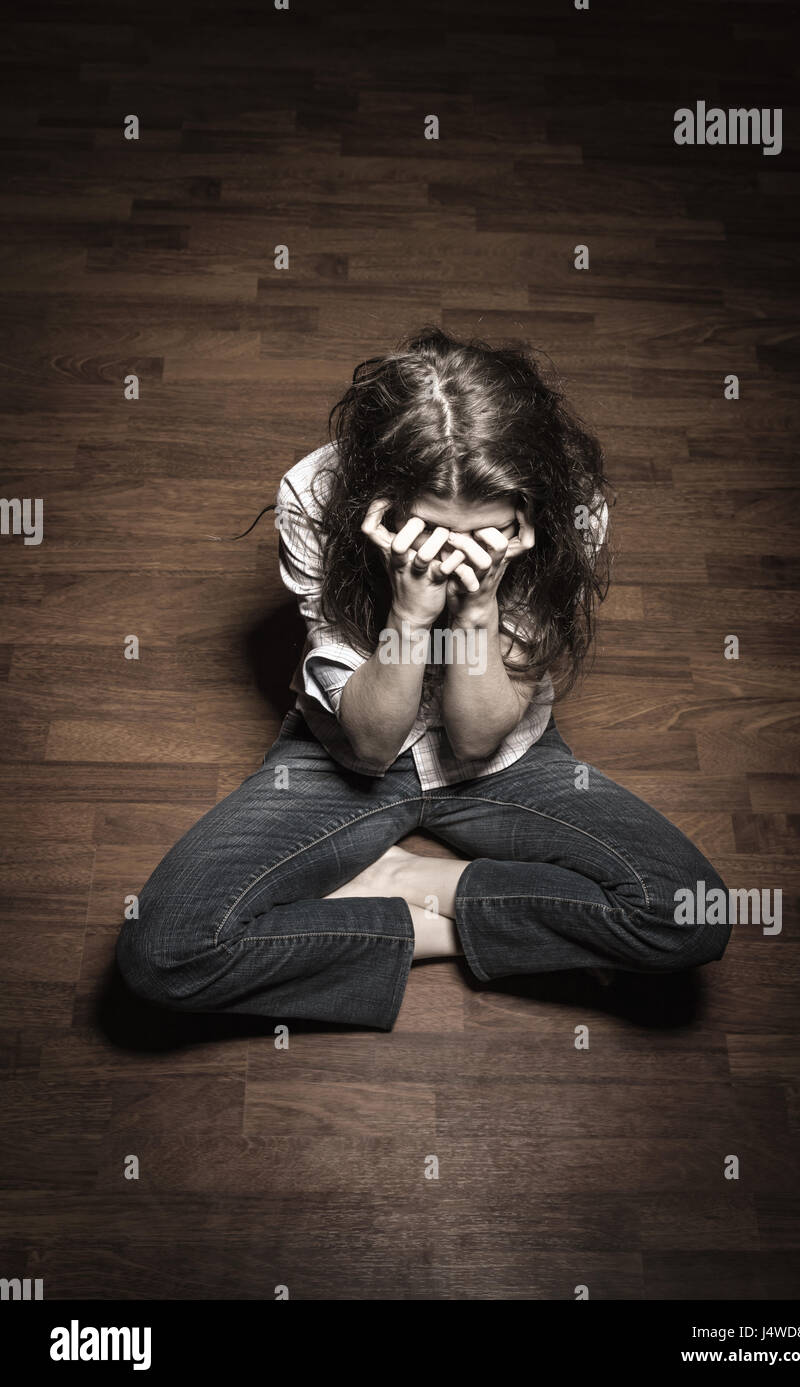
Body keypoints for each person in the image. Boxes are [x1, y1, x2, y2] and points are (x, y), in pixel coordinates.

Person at [116, 326, 731, 1030]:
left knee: (689, 917)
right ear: (380, 503)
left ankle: (410, 879)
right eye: (436, 530)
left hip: (503, 757)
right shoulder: (315, 494)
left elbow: (473, 747)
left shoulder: (572, 510)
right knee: (162, 954)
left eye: (485, 535)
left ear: (526, 511)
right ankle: (445, 908)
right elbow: (372, 750)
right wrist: (408, 616)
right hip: (348, 754)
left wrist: (477, 608)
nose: (459, 554)